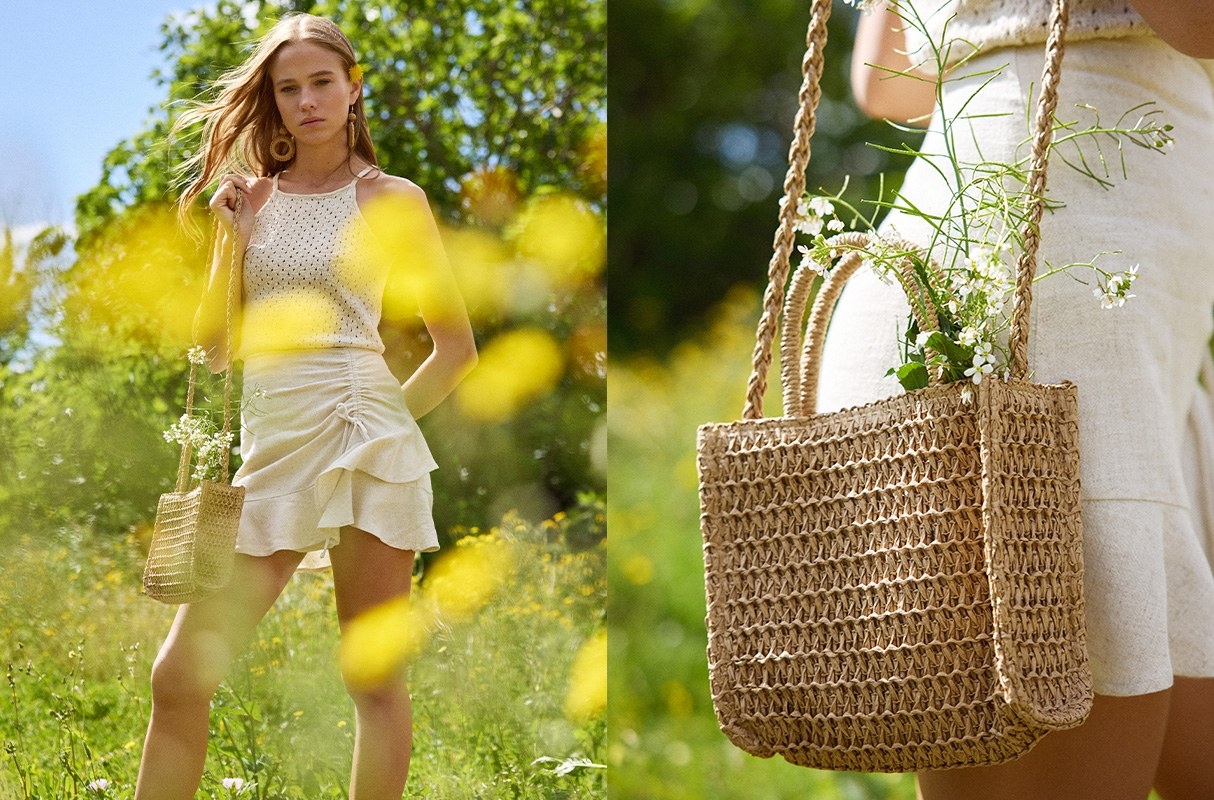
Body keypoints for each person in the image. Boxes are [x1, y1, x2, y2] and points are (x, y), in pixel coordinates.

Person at [822, 2, 1214, 799]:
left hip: (987, 187)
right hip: (1092, 212)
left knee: (1091, 568)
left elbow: (886, 77)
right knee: (1071, 562)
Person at [134, 13, 477, 800]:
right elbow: (213, 347)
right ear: (274, 101)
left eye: (322, 82)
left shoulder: (392, 199)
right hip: (274, 444)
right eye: (288, 88)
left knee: (371, 677)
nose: (306, 101)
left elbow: (456, 349)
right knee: (180, 677)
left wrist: (383, 427)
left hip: (366, 439)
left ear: (354, 87)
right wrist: (236, 238)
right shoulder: (250, 197)